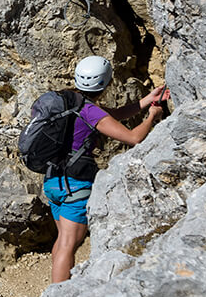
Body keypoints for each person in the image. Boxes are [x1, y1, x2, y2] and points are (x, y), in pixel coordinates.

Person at [42, 55, 170, 284]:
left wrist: (145, 100)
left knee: (63, 241)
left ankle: (56, 287)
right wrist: (152, 115)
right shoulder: (91, 111)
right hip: (75, 184)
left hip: (53, 181)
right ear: (107, 82)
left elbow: (110, 117)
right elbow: (134, 138)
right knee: (68, 244)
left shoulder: (69, 99)